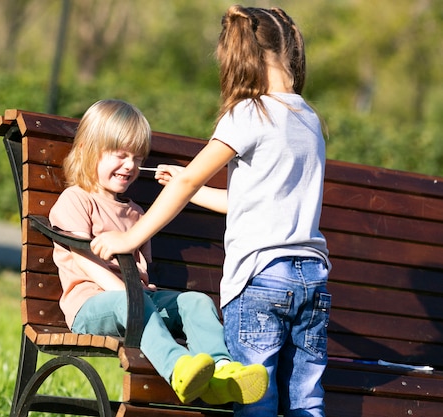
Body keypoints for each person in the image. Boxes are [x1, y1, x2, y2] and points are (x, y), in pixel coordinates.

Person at [90, 6, 331, 417]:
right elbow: (251, 200)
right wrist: (192, 186)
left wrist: (128, 238)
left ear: (240, 56)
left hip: (259, 279)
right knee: (306, 401)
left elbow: (187, 183)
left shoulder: (249, 113)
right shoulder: (308, 118)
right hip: (312, 277)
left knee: (257, 400)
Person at [48, 98, 268, 406]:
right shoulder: (77, 199)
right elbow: (83, 260)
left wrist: (138, 298)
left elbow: (142, 270)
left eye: (137, 158)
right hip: (90, 305)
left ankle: (220, 372)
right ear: (86, 150)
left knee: (195, 302)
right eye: (120, 155)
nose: (130, 166)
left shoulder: (136, 213)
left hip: (137, 302)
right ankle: (178, 368)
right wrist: (131, 298)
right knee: (131, 303)